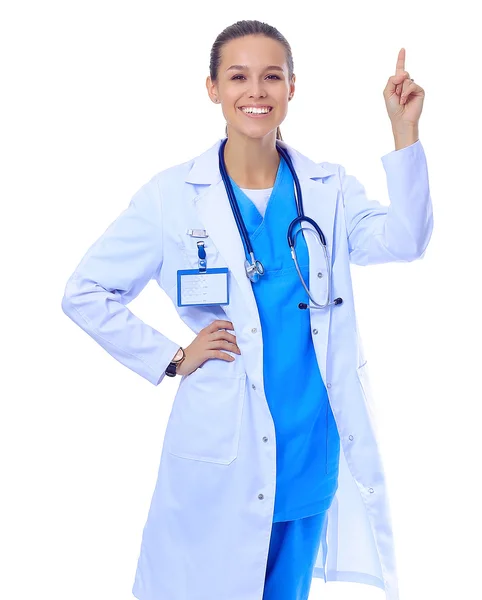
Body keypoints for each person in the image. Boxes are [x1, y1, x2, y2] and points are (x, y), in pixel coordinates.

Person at [61, 19, 432, 600]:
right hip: (219, 454)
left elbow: (407, 240)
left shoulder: (328, 189)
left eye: (271, 77)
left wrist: (404, 133)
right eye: (238, 76)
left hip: (309, 450)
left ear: (291, 88)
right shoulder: (170, 197)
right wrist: (172, 356)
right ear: (212, 88)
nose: (255, 92)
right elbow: (84, 292)